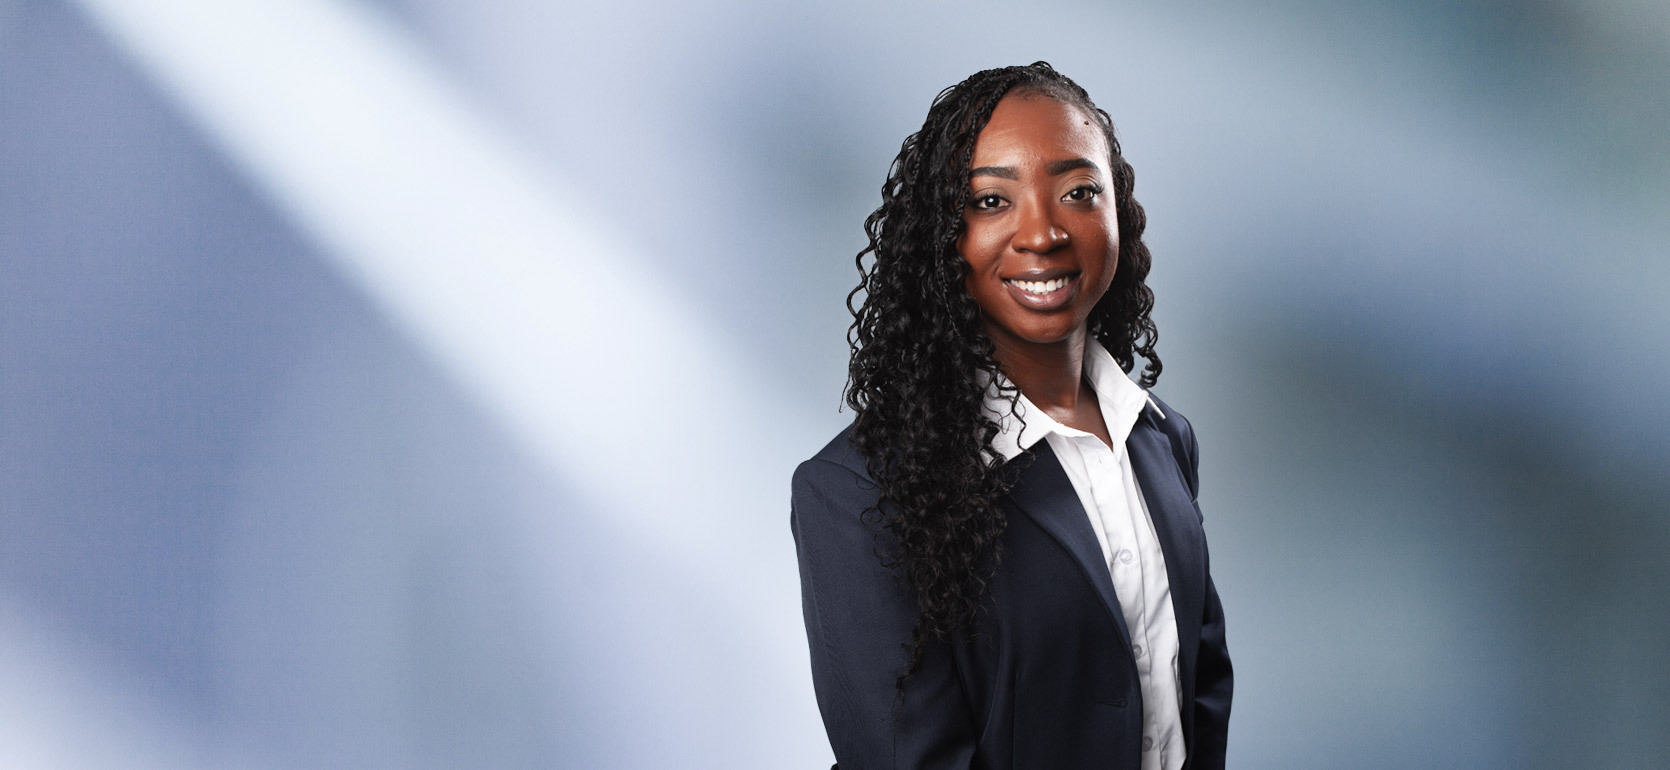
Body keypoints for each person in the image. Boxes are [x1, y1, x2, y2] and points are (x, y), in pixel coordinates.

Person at [790, 62, 1232, 769]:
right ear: (943, 237)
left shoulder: (1162, 439)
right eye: (992, 201)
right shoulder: (856, 493)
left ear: (1119, 208)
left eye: (1079, 191)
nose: (1043, 233)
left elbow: (1197, 695)